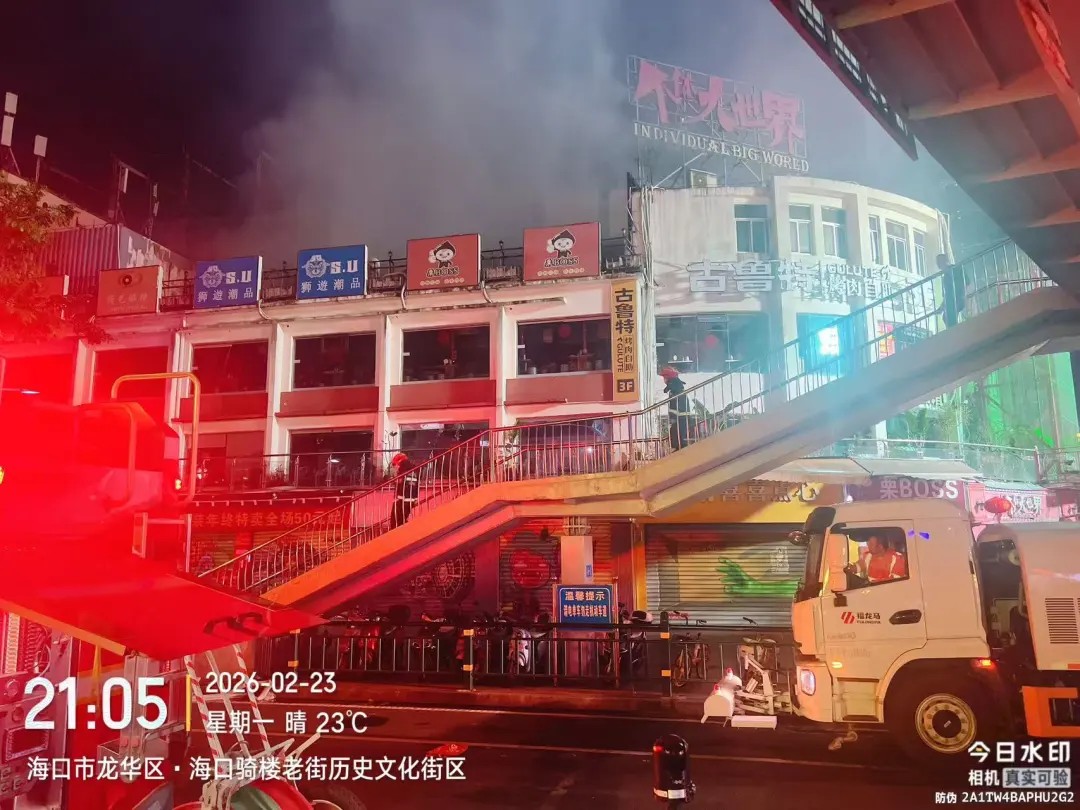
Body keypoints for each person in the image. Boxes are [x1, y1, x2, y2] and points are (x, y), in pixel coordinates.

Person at [660, 367, 694, 451]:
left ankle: (680, 451)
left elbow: (675, 404)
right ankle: (679, 450)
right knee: (678, 435)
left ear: (668, 377)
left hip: (680, 417)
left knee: (678, 436)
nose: (664, 380)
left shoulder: (675, 386)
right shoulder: (676, 386)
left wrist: (673, 418)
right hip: (681, 416)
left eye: (665, 377)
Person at [389, 452, 419, 528]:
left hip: (401, 500)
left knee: (395, 522)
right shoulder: (413, 470)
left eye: (396, 465)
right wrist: (415, 499)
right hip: (410, 500)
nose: (396, 467)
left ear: (399, 462)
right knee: (402, 520)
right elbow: (415, 485)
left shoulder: (403, 470)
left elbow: (401, 485)